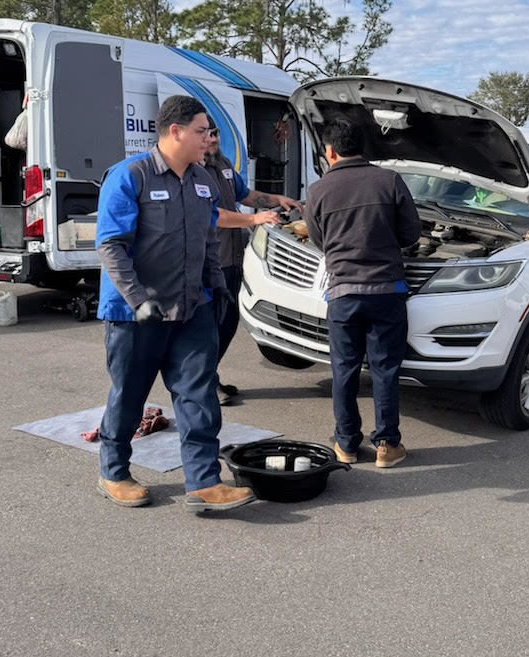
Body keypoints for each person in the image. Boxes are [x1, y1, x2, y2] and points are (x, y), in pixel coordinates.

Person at [94, 94, 255, 512]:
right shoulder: (131, 176)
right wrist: (137, 299)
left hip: (192, 308)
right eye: (202, 131)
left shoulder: (203, 179)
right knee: (129, 394)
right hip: (138, 315)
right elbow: (111, 245)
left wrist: (217, 288)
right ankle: (113, 471)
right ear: (175, 131)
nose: (209, 139)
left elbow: (206, 238)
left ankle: (203, 481)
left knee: (198, 393)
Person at [304, 118, 421, 469]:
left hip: (342, 293)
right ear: (362, 147)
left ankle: (346, 445)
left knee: (344, 369)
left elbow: (317, 238)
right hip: (387, 291)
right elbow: (412, 233)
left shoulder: (318, 190)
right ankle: (387, 446)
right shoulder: (390, 181)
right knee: (385, 369)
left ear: (330, 151)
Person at [203, 121, 303, 403]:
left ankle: (209, 376)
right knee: (208, 328)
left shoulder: (222, 163)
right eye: (205, 133)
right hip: (209, 263)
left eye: (215, 133)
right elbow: (213, 214)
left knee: (228, 321)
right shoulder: (193, 171)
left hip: (232, 259)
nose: (211, 138)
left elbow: (245, 195)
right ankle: (202, 385)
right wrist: (254, 218)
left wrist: (277, 200)